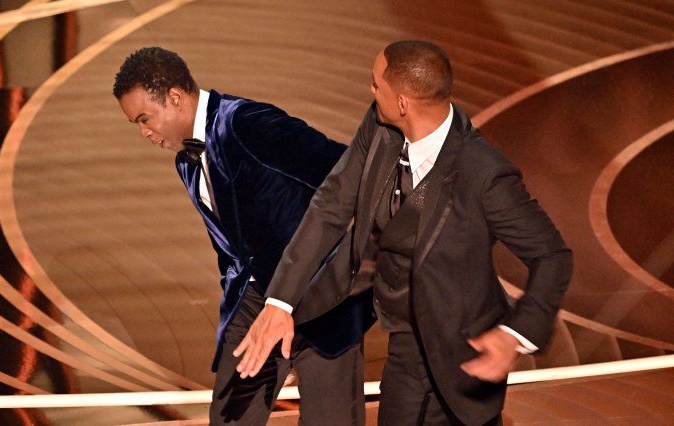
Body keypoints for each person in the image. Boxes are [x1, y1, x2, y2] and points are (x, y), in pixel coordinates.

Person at [234, 40, 573, 425]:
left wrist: (515, 333)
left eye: (376, 84)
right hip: (405, 343)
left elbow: (552, 256)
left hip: (466, 352)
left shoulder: (484, 174)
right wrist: (280, 302)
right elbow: (332, 204)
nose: (371, 90)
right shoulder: (380, 124)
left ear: (402, 103)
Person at [113, 47, 366, 425]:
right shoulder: (186, 162)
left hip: (321, 298)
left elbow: (347, 175)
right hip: (253, 305)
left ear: (175, 98)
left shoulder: (247, 124)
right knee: (231, 419)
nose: (143, 132)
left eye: (144, 119)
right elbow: (232, 246)